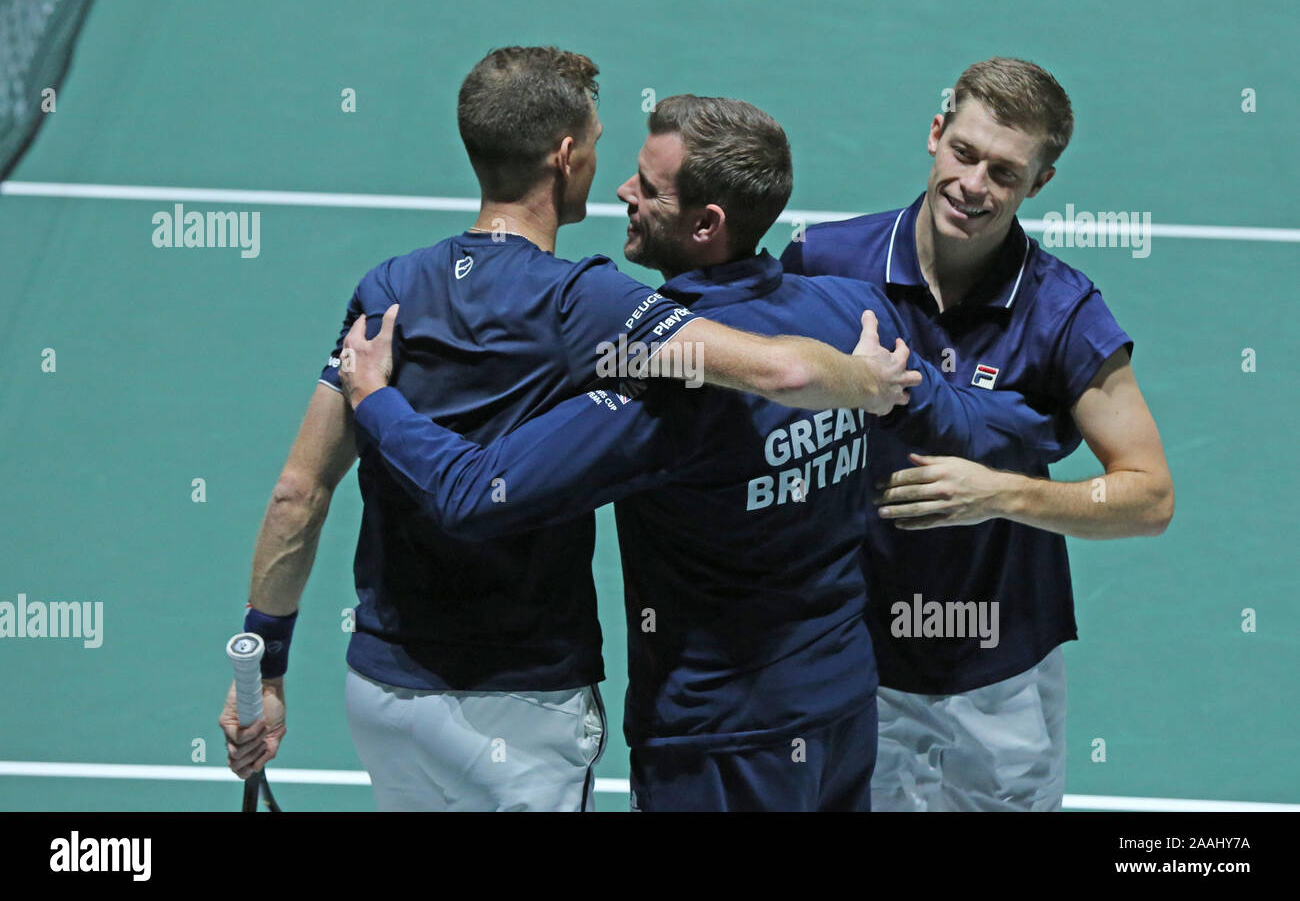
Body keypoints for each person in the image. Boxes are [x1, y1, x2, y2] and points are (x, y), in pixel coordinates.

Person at [217, 48, 922, 812]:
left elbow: (298, 493)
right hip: (523, 702)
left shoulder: (386, 293)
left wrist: (266, 668)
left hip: (385, 692)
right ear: (563, 157)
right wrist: (869, 383)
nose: (613, 176)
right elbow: (775, 371)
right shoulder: (588, 304)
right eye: (594, 143)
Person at [335, 95, 1065, 811]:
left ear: (705, 225)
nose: (624, 189)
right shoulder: (852, 315)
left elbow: (475, 493)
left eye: (649, 189)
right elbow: (964, 420)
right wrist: (1053, 427)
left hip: (718, 740)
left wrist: (377, 402)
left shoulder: (666, 388)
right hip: (842, 709)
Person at [780, 57, 1175, 811]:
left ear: (1039, 185)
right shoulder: (825, 262)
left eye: (1004, 172)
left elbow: (1149, 495)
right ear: (935, 135)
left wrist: (1001, 494)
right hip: (848, 650)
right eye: (963, 153)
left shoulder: (1063, 313)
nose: (974, 186)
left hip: (1001, 673)